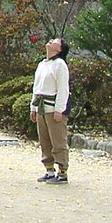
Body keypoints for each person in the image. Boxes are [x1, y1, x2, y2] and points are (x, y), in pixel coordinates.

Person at [30, 37, 70, 183]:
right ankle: (49, 169)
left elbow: (63, 89)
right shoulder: (42, 64)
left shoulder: (60, 65)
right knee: (45, 140)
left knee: (58, 140)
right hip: (42, 107)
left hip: (53, 108)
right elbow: (37, 87)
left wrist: (59, 109)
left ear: (59, 49)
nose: (51, 41)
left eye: (55, 41)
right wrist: (33, 107)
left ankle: (62, 172)